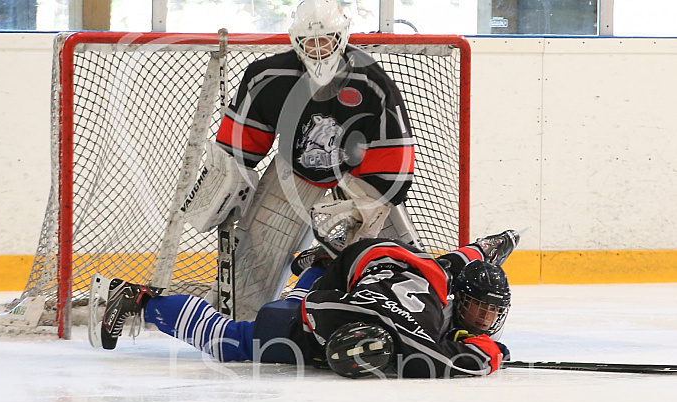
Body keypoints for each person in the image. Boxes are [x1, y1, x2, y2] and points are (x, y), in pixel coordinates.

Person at [182, 0, 420, 318]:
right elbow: (236, 150)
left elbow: (393, 160)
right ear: (296, 39)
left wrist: (365, 209)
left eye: (327, 40)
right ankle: (244, 325)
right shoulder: (268, 77)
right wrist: (221, 189)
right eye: (311, 41)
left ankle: (397, 314)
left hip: (358, 177)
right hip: (295, 171)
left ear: (343, 36)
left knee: (396, 261)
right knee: (252, 269)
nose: (319, 48)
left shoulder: (373, 83)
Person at [92, 229, 519, 379]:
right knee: (236, 342)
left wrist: (496, 245)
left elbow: (468, 254)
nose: (483, 319)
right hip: (354, 275)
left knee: (296, 309)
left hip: (371, 260)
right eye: (477, 308)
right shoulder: (419, 326)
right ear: (457, 300)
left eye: (490, 312)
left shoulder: (445, 274)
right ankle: (140, 299)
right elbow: (447, 363)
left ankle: (318, 263)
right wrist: (489, 354)